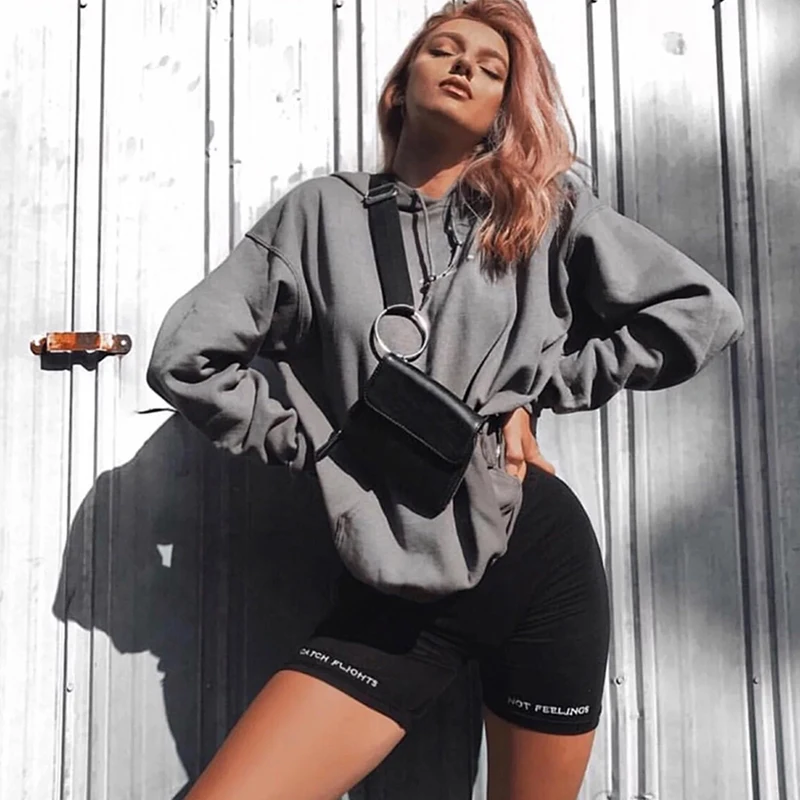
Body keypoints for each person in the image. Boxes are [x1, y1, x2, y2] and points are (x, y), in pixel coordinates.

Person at [146, 1, 745, 798]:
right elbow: (188, 359)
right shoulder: (319, 214)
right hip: (397, 577)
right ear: (402, 85)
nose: (465, 67)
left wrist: (538, 390)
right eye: (444, 50)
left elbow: (702, 312)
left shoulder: (543, 212)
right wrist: (318, 447)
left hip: (538, 558)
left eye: (492, 68)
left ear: (501, 109)